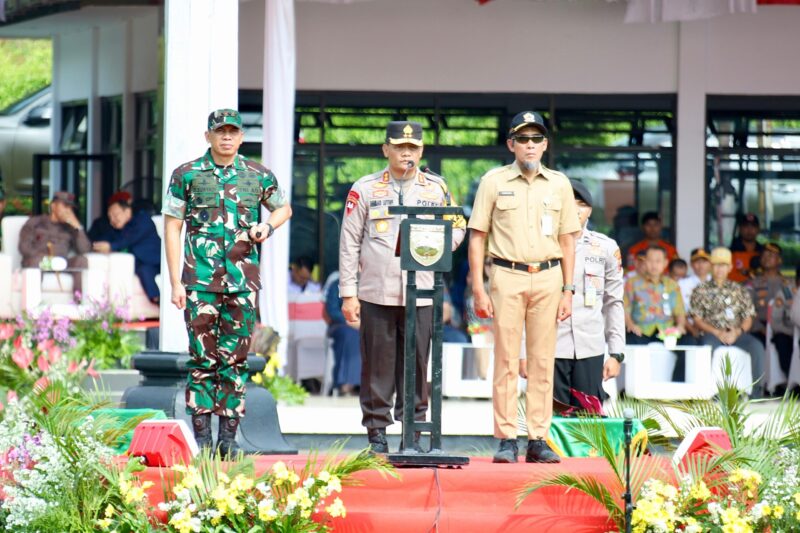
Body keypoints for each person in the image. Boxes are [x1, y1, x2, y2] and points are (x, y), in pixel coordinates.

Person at [162, 108, 291, 456]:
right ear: (208, 136)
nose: (227, 137)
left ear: (241, 137)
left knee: (235, 361)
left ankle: (229, 439)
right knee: (202, 359)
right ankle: (202, 437)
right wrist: (175, 282)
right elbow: (172, 226)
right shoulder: (186, 175)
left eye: (233, 131)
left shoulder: (257, 175)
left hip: (242, 283)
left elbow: (283, 208)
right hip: (200, 281)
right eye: (220, 132)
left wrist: (268, 226)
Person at [339, 120, 465, 454]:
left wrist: (435, 247)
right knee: (377, 365)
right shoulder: (365, 188)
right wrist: (348, 293)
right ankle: (377, 431)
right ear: (386, 150)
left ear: (421, 151)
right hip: (376, 292)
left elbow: (458, 227)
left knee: (417, 363)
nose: (406, 153)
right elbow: (349, 241)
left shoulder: (436, 189)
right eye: (399, 147)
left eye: (412, 148)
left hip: (421, 291)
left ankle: (415, 430)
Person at [468, 111, 580, 464]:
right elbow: (477, 237)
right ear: (511, 144)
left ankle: (537, 437)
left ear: (545, 144)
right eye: (523, 139)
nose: (530, 145)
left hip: (549, 276)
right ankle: (506, 437)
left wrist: (568, 289)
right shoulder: (493, 181)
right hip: (507, 275)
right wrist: (478, 288)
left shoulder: (560, 183)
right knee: (505, 359)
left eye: (536, 139)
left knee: (543, 361)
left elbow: (568, 241)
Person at [539, 179, 624, 409]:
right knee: (551, 419)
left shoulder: (606, 247)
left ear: (590, 210)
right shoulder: (541, 245)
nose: (575, 209)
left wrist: (616, 353)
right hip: (551, 345)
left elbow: (613, 303)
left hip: (590, 346)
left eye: (581, 204)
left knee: (590, 421)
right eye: (569, 202)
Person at [690, 247, 765, 398]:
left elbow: (748, 317)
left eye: (723, 265)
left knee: (756, 346)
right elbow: (697, 319)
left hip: (736, 333)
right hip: (712, 333)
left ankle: (756, 393)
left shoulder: (739, 289)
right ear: (711, 266)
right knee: (707, 347)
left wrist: (738, 332)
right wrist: (717, 332)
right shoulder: (700, 290)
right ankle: (709, 393)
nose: (719, 269)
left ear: (730, 267)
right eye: (716, 264)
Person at [18, 191, 91, 293]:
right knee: (35, 261)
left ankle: (78, 302)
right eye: (65, 206)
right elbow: (24, 247)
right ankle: (33, 306)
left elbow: (84, 249)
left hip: (61, 263)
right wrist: (44, 259)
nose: (68, 211)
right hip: (39, 262)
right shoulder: (35, 222)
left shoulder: (70, 227)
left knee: (82, 260)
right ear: (53, 206)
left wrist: (77, 227)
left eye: (70, 208)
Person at [92, 197, 162, 303]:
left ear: (127, 211)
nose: (112, 220)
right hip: (137, 264)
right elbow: (104, 239)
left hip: (155, 263)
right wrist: (97, 245)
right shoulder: (118, 229)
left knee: (144, 270)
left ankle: (158, 301)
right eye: (110, 217)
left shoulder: (143, 219)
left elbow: (130, 239)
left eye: (115, 215)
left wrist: (110, 246)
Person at [746, 243, 794, 379]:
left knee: (785, 345)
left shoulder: (787, 284)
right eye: (765, 255)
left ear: (779, 260)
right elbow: (747, 309)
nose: (767, 258)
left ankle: (788, 383)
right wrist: (760, 328)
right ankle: (760, 384)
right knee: (754, 346)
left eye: (772, 255)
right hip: (758, 328)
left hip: (783, 328)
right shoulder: (752, 283)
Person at [624, 245, 687, 344]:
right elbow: (625, 309)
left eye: (658, 261)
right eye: (650, 261)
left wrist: (680, 326)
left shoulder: (672, 285)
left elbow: (680, 312)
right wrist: (630, 324)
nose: (654, 265)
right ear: (645, 262)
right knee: (631, 341)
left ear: (665, 263)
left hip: (667, 331)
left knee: (688, 342)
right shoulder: (632, 283)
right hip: (640, 330)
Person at [323, 271, 361, 396]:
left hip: (365, 325)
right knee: (350, 335)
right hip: (341, 325)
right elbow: (332, 310)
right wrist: (350, 321)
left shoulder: (370, 284)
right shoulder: (337, 285)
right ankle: (346, 383)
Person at [679, 248, 712, 340]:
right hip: (689, 329)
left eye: (704, 261)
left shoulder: (716, 283)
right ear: (691, 264)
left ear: (711, 263)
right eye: (697, 262)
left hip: (713, 330)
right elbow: (678, 311)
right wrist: (693, 330)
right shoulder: (682, 284)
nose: (701, 265)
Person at [729, 213, 764, 283]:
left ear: (758, 230)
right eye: (746, 226)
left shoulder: (763, 252)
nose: (749, 230)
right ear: (740, 229)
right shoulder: (731, 251)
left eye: (753, 226)